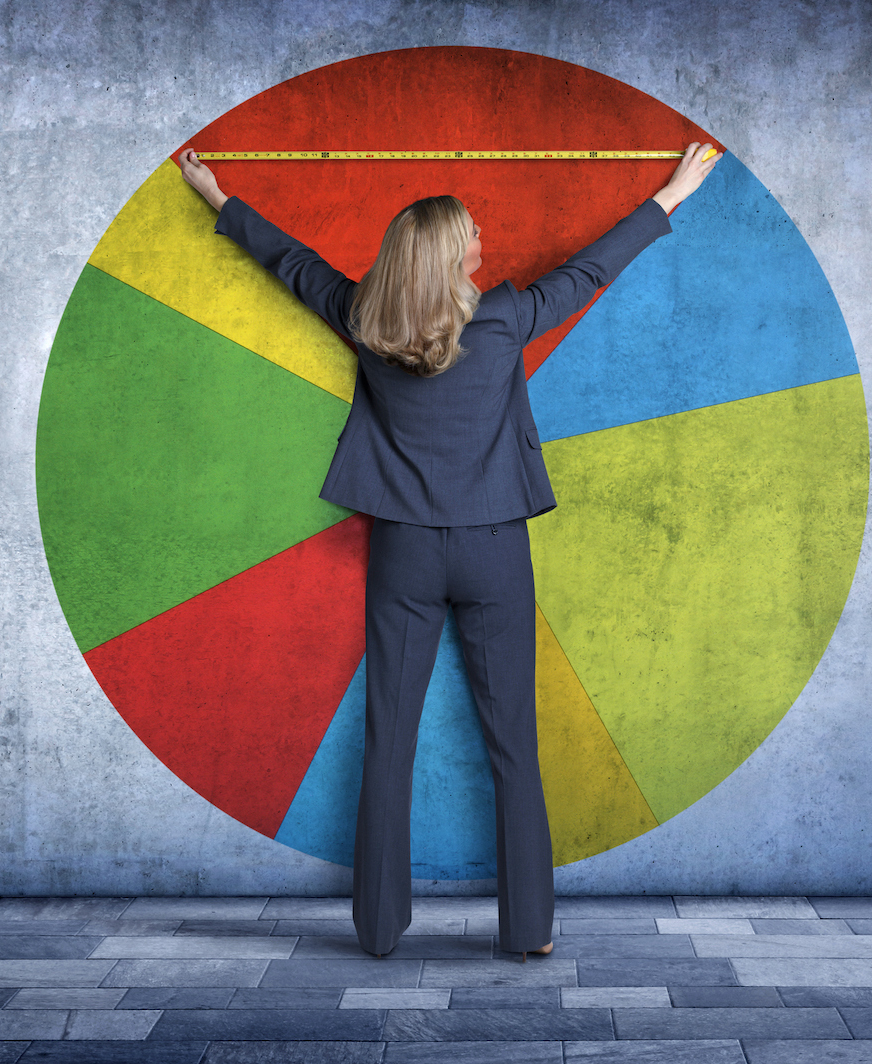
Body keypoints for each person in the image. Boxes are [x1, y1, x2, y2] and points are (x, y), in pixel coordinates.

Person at [179, 144, 719, 959]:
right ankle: (529, 929)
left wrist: (217, 197)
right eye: (470, 233)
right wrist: (673, 191)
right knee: (515, 747)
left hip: (404, 550)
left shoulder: (364, 315)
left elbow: (291, 265)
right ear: (446, 255)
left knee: (388, 737)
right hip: (495, 548)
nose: (481, 240)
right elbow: (592, 269)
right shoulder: (503, 316)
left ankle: (378, 929)